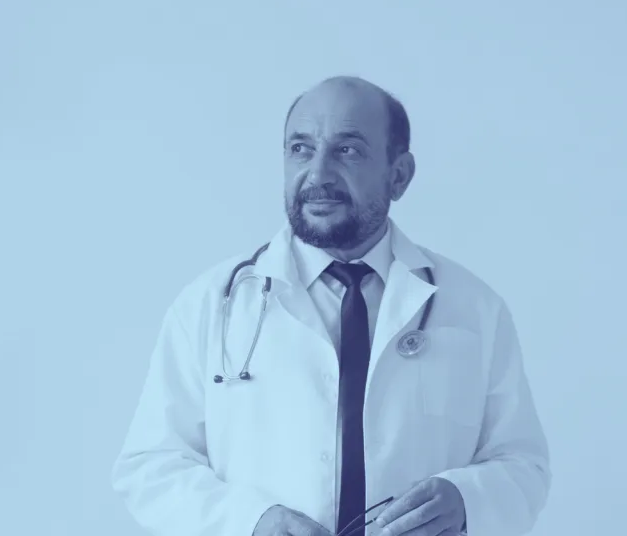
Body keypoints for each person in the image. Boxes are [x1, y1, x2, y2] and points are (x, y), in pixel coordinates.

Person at [111, 76, 551, 536]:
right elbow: (150, 467)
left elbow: (523, 464)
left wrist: (467, 500)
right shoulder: (210, 304)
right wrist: (250, 522)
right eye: (300, 149)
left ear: (398, 175)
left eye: (349, 150)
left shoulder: (472, 307)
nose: (318, 175)